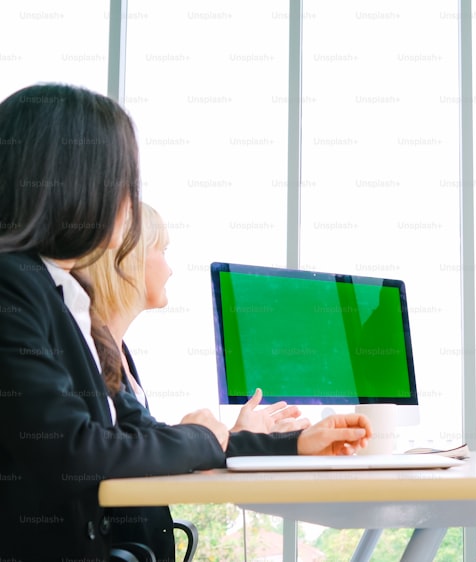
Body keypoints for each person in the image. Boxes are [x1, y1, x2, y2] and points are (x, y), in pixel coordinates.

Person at [0, 83, 370, 561]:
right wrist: (197, 436)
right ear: (71, 182)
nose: (129, 205)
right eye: (122, 184)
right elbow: (71, 451)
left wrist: (297, 442)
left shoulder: (67, 298)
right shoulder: (14, 283)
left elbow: (137, 436)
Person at [75, 202, 311, 560]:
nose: (170, 268)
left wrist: (233, 435)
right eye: (162, 250)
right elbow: (122, 453)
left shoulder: (119, 351)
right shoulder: (89, 351)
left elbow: (145, 446)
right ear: (128, 260)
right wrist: (209, 436)